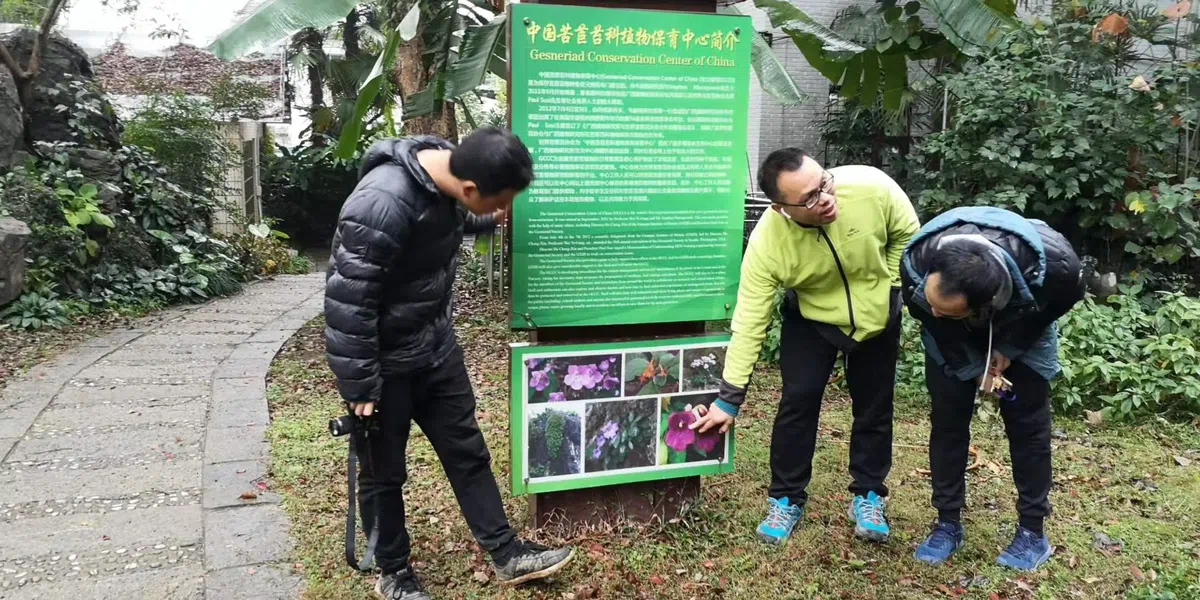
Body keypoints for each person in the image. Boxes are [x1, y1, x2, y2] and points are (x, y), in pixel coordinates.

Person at [324, 127, 573, 600]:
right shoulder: (380, 203)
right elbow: (348, 300)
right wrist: (359, 384)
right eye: (501, 202)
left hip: (436, 350)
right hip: (385, 366)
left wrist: (486, 219)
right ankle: (393, 572)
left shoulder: (448, 171)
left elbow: (446, 217)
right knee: (383, 473)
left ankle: (506, 552)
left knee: (467, 451)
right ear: (471, 188)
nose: (505, 210)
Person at [691, 147, 920, 545]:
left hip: (877, 315)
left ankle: (869, 494)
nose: (826, 198)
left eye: (824, 183)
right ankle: (785, 498)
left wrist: (891, 288)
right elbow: (750, 321)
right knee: (798, 402)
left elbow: (908, 235)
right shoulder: (768, 243)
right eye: (810, 198)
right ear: (782, 208)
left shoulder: (871, 186)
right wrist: (729, 398)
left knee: (875, 405)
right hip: (812, 318)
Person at [900, 206, 1084, 571]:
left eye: (945, 308)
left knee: (1028, 427)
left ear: (987, 304)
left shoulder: (1057, 269)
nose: (933, 309)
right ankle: (947, 524)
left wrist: (1010, 348)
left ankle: (1032, 531)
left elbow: (1055, 306)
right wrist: (973, 368)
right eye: (932, 301)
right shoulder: (916, 267)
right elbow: (932, 320)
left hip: (1024, 316)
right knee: (948, 423)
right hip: (949, 337)